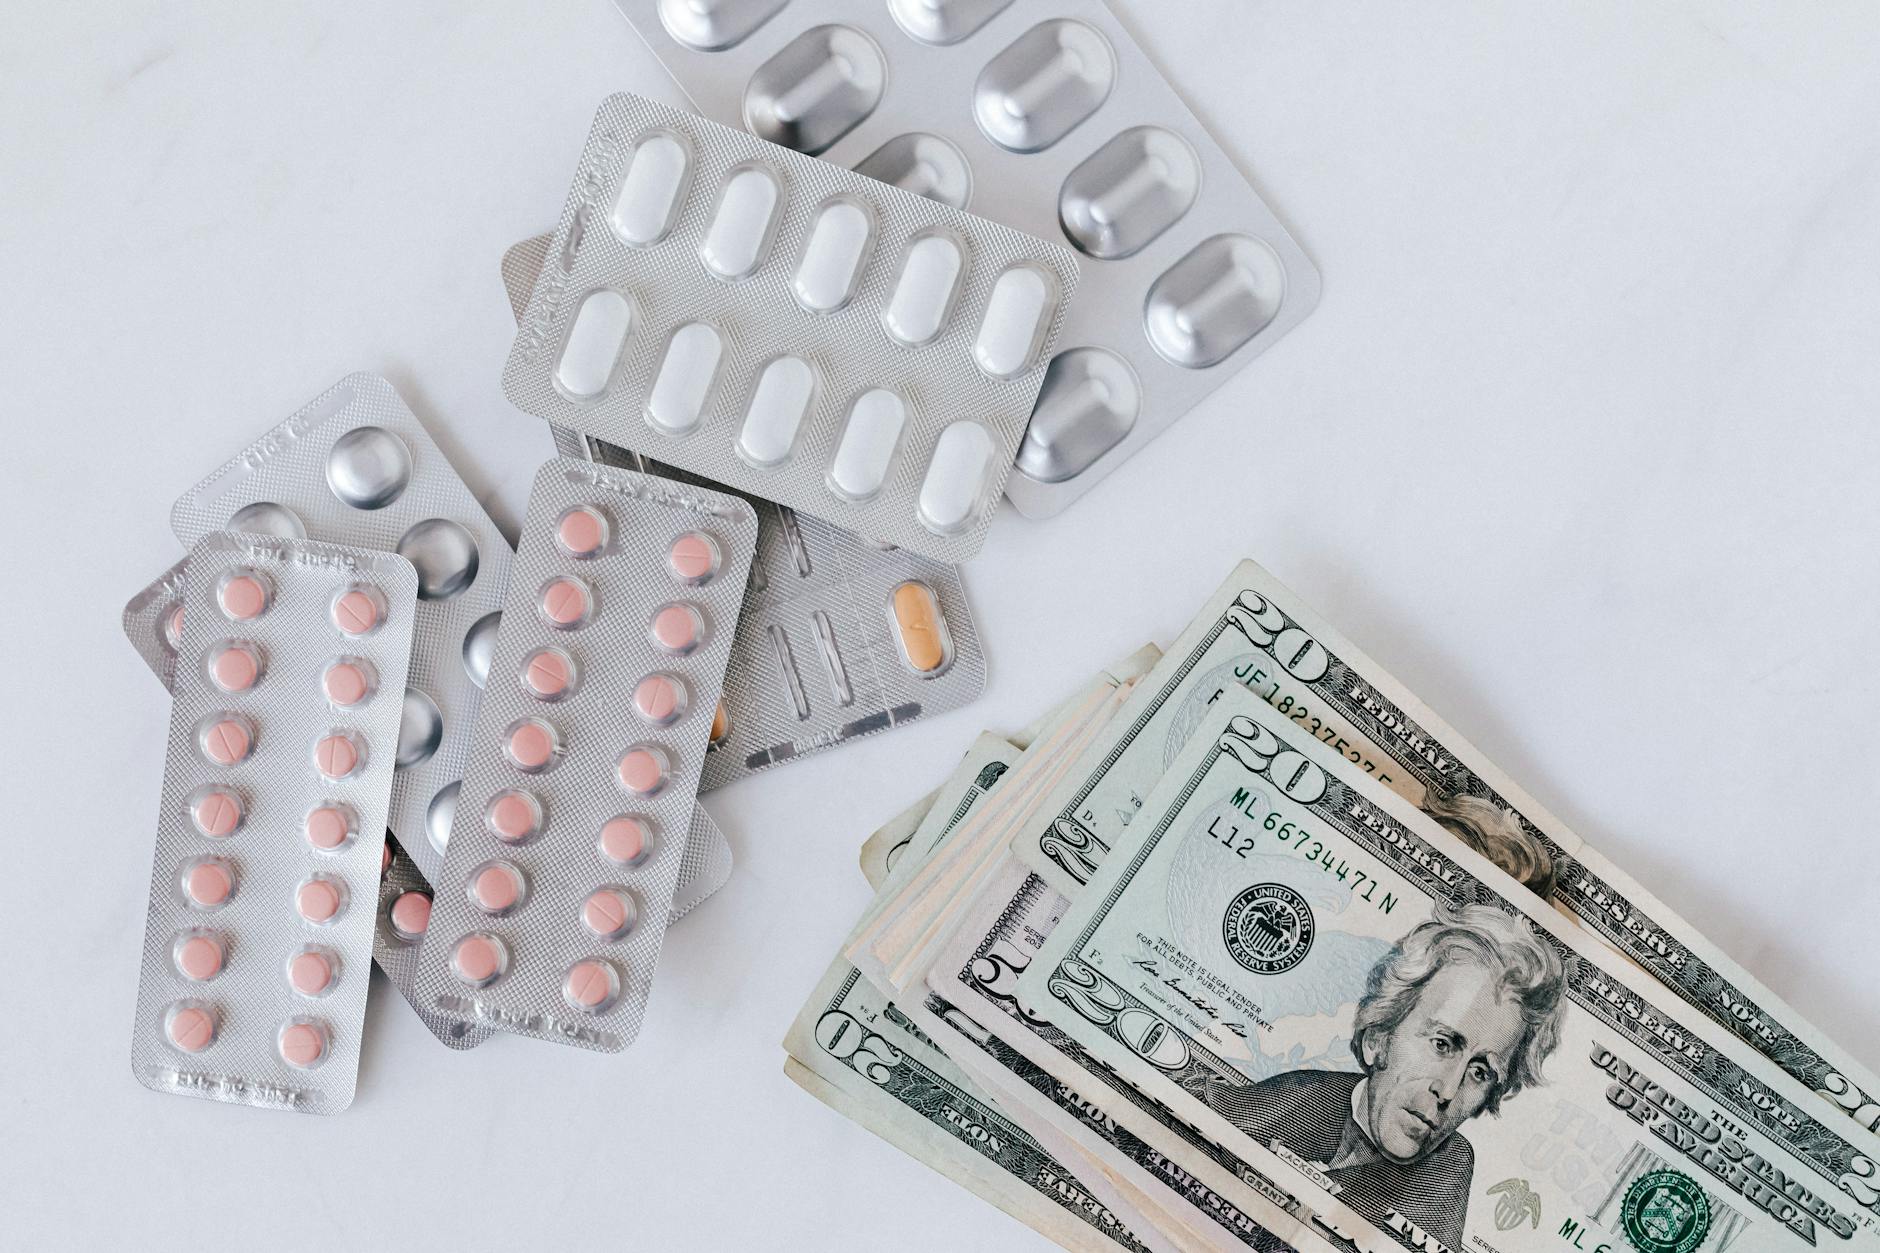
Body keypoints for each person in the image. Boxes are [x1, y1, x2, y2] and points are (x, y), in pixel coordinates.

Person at [1193, 902, 1566, 1250]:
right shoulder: (1298, 1096)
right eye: (1442, 1044)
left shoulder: (1444, 1180)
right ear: (1379, 1037)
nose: (1448, 1090)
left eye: (1480, 1072)